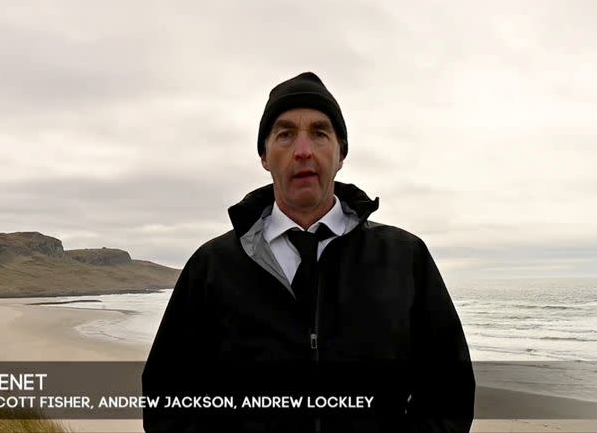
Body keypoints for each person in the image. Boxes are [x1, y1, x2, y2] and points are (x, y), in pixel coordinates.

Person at [143, 72, 475, 432]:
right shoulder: (212, 267)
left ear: (341, 153)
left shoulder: (404, 259)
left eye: (319, 133)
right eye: (285, 134)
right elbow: (167, 402)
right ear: (264, 156)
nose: (303, 150)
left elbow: (449, 393)